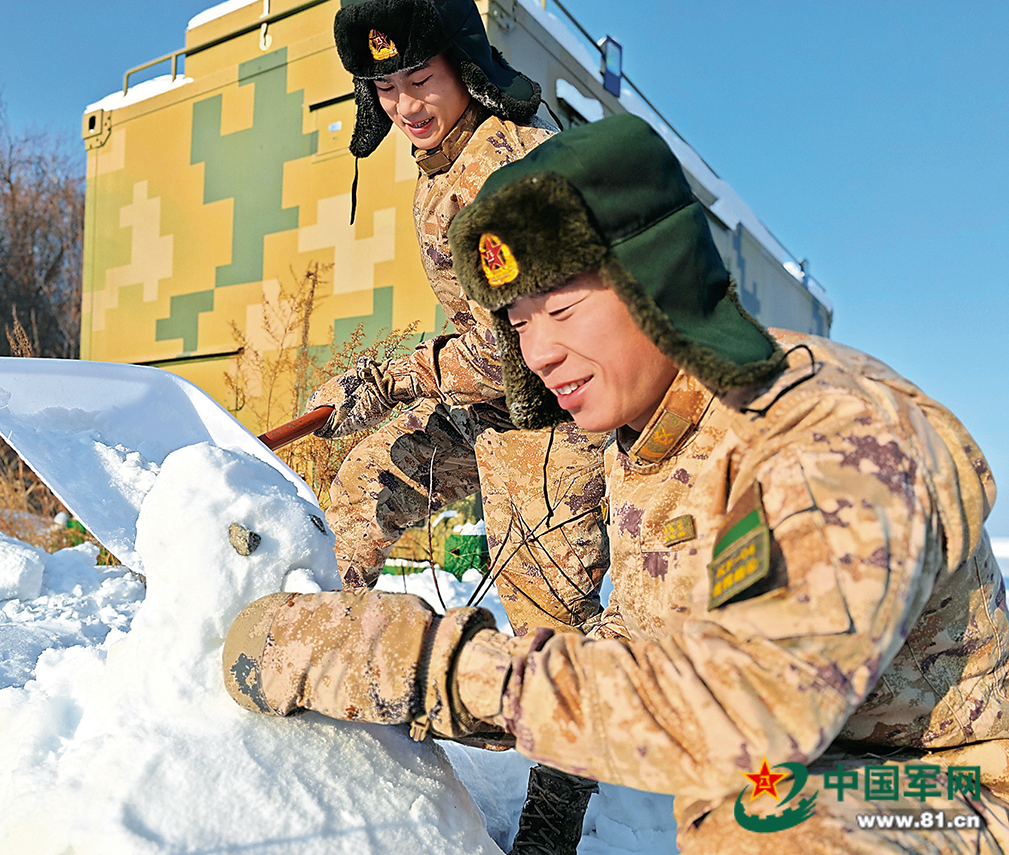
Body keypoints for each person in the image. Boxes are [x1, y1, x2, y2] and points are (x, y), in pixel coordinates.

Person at [224, 112, 1009, 853]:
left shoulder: (826, 436)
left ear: (653, 281)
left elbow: (739, 713)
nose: (539, 354)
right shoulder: (648, 436)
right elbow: (640, 636)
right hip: (814, 767)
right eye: (519, 323)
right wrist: (456, 668)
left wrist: (422, 664)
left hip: (958, 787)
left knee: (762, 823)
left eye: (564, 309)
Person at [312, 0, 611, 848]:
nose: (406, 105)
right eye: (386, 88)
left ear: (464, 68)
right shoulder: (439, 161)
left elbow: (523, 343)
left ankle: (553, 825)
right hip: (485, 407)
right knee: (365, 487)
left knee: (550, 634)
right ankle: (322, 693)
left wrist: (393, 379)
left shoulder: (509, 164)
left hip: (555, 419)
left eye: (420, 78)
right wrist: (396, 392)